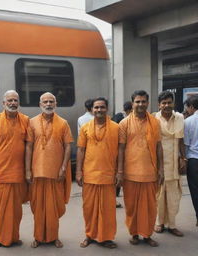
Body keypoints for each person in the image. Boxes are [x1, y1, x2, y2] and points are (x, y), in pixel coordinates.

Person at [26, 92, 73, 248]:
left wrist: (64, 167)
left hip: (55, 172)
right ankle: (38, 237)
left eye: (51, 101)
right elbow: (29, 147)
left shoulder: (63, 123)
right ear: (40, 105)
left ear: (56, 104)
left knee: (54, 208)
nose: (48, 104)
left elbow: (68, 146)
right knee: (38, 208)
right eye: (45, 102)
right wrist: (27, 170)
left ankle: (54, 236)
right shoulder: (31, 122)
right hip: (37, 172)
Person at [117, 90, 164, 247]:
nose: (141, 104)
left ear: (148, 103)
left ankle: (147, 234)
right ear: (132, 103)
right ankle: (135, 233)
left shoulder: (155, 122)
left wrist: (161, 169)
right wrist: (120, 172)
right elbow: (121, 149)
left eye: (143, 101)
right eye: (137, 101)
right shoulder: (124, 123)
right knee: (131, 207)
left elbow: (158, 147)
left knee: (150, 207)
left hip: (150, 172)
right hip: (130, 173)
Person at [0, 90, 30, 248]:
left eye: (15, 100)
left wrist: (28, 171)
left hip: (18, 173)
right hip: (0, 173)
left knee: (16, 210)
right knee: (0, 209)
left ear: (19, 103)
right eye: (10, 100)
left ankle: (13, 237)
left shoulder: (25, 120)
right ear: (3, 103)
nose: (13, 103)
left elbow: (28, 147)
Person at [76, 97, 119, 249]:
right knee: (89, 209)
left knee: (107, 210)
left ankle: (106, 237)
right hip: (90, 174)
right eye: (96, 107)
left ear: (107, 108)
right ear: (92, 109)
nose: (99, 110)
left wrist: (119, 171)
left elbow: (120, 151)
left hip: (108, 174)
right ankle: (90, 235)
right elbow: (80, 150)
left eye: (102, 107)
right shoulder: (85, 128)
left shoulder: (115, 127)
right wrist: (78, 172)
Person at [154, 91, 185, 237]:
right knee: (159, 196)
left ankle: (172, 225)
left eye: (169, 102)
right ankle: (159, 223)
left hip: (174, 163)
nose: (166, 105)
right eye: (163, 103)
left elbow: (181, 140)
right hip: (159, 164)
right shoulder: (154, 119)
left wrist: (183, 158)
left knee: (174, 196)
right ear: (159, 105)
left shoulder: (180, 117)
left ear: (173, 103)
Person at [184, 95, 198, 227]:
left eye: (187, 107)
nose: (187, 110)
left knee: (195, 189)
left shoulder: (188, 122)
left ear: (192, 107)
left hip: (194, 160)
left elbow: (186, 144)